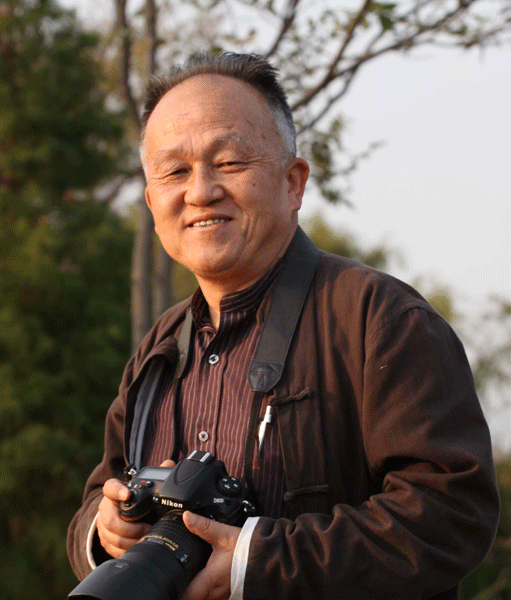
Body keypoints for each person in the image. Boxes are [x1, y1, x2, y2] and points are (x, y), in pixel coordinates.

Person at [67, 52, 499, 600]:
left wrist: (257, 562)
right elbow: (97, 496)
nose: (200, 191)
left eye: (229, 162)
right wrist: (107, 530)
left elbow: (451, 515)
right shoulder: (159, 348)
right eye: (175, 171)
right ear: (153, 203)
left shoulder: (378, 320)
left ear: (294, 183)